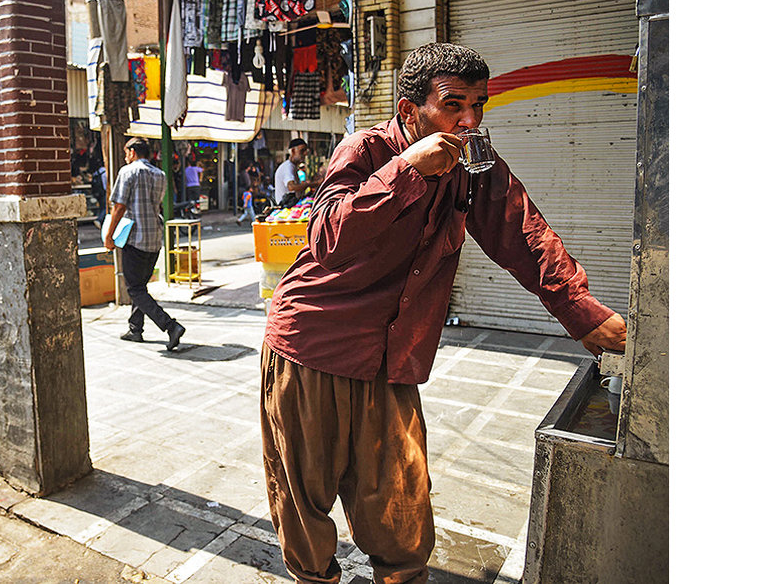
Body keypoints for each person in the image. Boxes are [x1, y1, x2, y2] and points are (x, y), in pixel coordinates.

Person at [259, 43, 627, 584]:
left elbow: (523, 232)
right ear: (410, 112)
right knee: (304, 503)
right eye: (454, 105)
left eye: (479, 104)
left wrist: (580, 311)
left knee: (402, 509)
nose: (471, 120)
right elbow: (328, 236)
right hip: (314, 345)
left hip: (392, 361)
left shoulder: (473, 164)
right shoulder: (366, 148)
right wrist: (406, 169)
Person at [104, 137, 186, 351]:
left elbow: (119, 207)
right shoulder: (160, 174)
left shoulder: (128, 171)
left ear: (132, 152)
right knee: (140, 285)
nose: (125, 157)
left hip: (135, 238)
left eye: (125, 152)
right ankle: (135, 329)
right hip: (154, 238)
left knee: (134, 288)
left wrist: (109, 235)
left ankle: (170, 326)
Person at [273, 137, 320, 207]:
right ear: (293, 151)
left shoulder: (292, 167)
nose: (305, 154)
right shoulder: (288, 167)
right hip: (285, 207)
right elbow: (291, 187)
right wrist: (312, 184)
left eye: (305, 151)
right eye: (302, 151)